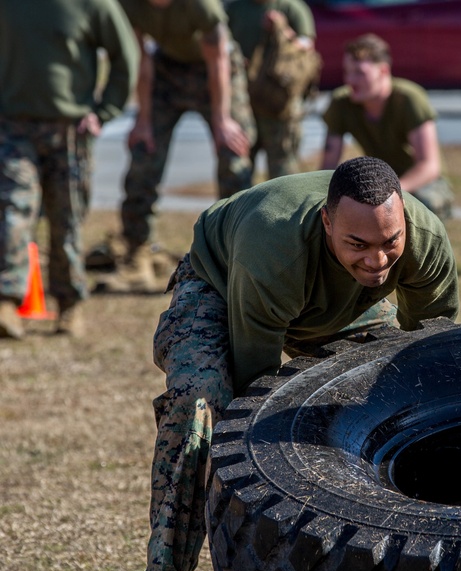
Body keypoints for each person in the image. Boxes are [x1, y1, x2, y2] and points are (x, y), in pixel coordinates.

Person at [109, 156, 459, 571]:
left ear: (404, 219)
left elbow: (433, 364)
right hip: (224, 284)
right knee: (201, 407)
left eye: (390, 242)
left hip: (343, 306)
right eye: (357, 244)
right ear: (326, 222)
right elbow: (256, 395)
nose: (379, 261)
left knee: (385, 413)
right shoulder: (272, 245)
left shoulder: (424, 240)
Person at [0, 0, 138, 339]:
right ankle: (6, 299)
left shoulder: (94, 5)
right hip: (13, 127)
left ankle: (69, 303)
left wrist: (105, 110)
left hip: (70, 131)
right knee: (13, 208)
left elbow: (126, 57)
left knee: (67, 217)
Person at [105, 0, 257, 293]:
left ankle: (239, 255)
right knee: (143, 151)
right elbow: (141, 59)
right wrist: (144, 119)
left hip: (216, 71)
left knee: (233, 155)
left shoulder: (202, 6)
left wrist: (222, 120)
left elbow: (218, 61)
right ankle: (137, 254)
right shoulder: (130, 5)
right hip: (168, 71)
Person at [321, 33, 454, 220]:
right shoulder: (342, 102)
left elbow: (429, 166)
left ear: (383, 71)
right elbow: (327, 167)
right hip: (378, 180)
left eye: (359, 73)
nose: (350, 80)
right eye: (347, 72)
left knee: (424, 204)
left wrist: (392, 194)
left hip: (420, 184)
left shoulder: (409, 99)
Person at [227, 0, 317, 180]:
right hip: (243, 101)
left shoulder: (291, 7)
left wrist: (282, 29)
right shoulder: (235, 8)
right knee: (237, 170)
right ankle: (240, 208)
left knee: (283, 173)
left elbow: (306, 46)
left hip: (278, 104)